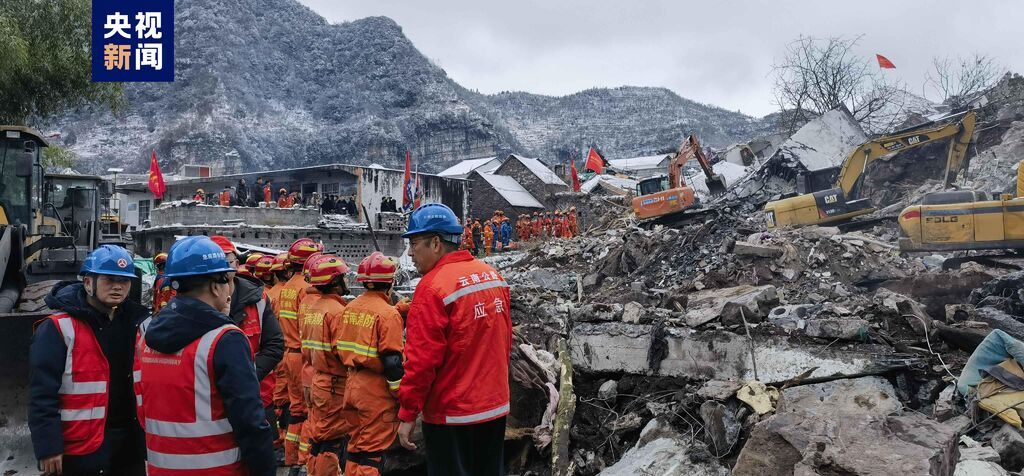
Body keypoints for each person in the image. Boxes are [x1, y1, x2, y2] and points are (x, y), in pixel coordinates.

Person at [135, 236, 276, 475]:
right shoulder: (225, 339)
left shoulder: (148, 334)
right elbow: (250, 422)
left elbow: (142, 406)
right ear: (215, 286)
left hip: (163, 467)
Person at [398, 204, 512, 475]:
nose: (410, 253)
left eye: (414, 244)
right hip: (494, 408)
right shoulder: (492, 277)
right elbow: (504, 341)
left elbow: (421, 362)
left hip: (452, 414)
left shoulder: (432, 288)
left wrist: (407, 414)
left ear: (436, 243)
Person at [29, 245, 148, 476]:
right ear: (87, 283)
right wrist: (48, 447)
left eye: (124, 280)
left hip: (130, 443)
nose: (118, 286)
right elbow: (42, 395)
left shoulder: (139, 323)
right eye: (109, 279)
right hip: (81, 449)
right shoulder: (58, 328)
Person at [336, 252, 404, 475]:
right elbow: (392, 361)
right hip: (375, 391)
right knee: (372, 454)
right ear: (390, 282)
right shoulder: (389, 315)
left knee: (355, 448)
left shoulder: (350, 308)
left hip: (352, 384)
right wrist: (400, 395)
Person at [210, 237, 284, 438]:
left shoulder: (258, 299)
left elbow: (275, 344)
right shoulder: (199, 301)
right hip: (214, 401)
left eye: (227, 261)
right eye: (217, 262)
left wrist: (246, 375)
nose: (223, 269)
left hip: (258, 396)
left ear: (237, 264)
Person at [301, 254, 352, 476]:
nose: (346, 281)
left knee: (318, 439)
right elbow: (344, 353)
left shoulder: (313, 308)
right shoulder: (337, 312)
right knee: (332, 440)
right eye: (343, 277)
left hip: (319, 379)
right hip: (335, 385)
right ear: (335, 281)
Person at [278, 238, 324, 472]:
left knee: (296, 411)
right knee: (309, 412)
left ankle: (292, 459)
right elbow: (311, 329)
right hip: (303, 357)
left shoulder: (286, 288)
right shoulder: (305, 291)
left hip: (288, 354)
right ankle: (304, 462)